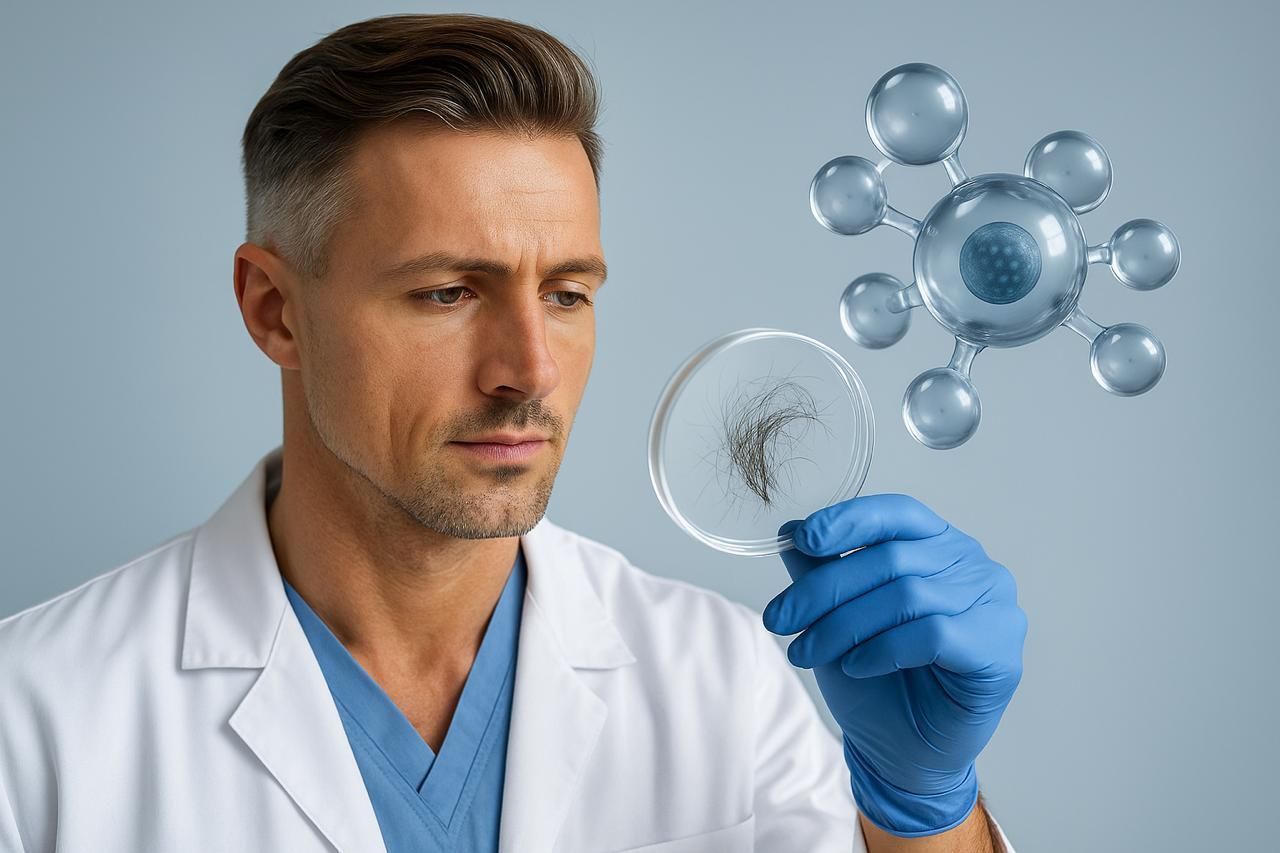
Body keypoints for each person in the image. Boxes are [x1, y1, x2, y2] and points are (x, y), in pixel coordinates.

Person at [0, 13, 1025, 853]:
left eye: (567, 294)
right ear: (275, 310)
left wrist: (919, 808)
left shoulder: (722, 679)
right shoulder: (35, 717)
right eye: (448, 292)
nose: (528, 370)